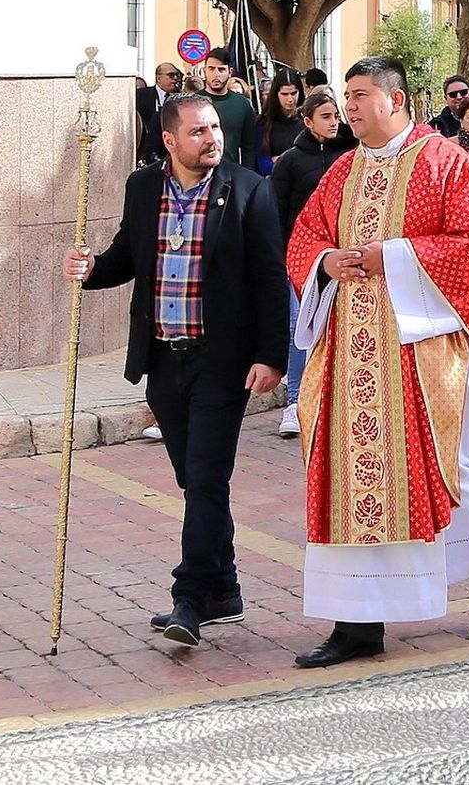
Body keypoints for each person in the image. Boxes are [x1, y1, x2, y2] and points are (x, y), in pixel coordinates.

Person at [286, 56, 469, 668]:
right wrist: (326, 262)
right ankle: (357, 622)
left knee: (439, 470)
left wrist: (394, 256)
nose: (350, 106)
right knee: (349, 479)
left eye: (361, 94)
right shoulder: (342, 171)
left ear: (397, 99)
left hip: (422, 350)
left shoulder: (444, 162)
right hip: (349, 353)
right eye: (348, 96)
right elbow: (305, 236)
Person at [61, 93, 289, 646]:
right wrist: (90, 269)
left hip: (221, 361)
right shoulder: (144, 187)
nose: (212, 139)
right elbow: (127, 255)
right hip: (163, 359)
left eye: (215, 128)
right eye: (198, 131)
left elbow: (270, 277)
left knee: (207, 479)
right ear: (169, 140)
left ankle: (189, 599)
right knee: (195, 481)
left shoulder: (248, 189)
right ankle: (225, 590)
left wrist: (272, 357)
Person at [270, 89, 357, 436]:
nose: (334, 123)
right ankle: (294, 401)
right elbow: (277, 212)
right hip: (301, 257)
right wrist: (280, 256)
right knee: (298, 327)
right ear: (307, 122)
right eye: (325, 117)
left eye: (336, 116)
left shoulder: (352, 154)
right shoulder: (291, 161)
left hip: (344, 255)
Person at [201, 46, 260, 171]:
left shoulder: (242, 104)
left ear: (230, 72)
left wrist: (246, 176)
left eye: (221, 69)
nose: (216, 74)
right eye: (211, 69)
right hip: (198, 171)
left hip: (230, 172)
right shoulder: (193, 102)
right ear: (204, 70)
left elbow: (249, 148)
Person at [258, 66, 307, 174]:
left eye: (293, 93)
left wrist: (281, 160)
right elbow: (262, 162)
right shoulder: (264, 123)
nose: (290, 99)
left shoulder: (308, 121)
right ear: (276, 94)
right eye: (284, 94)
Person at [135, 61, 181, 163]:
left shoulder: (181, 99)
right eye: (171, 75)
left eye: (177, 75)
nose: (175, 78)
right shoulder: (141, 96)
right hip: (145, 151)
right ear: (159, 78)